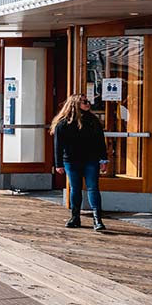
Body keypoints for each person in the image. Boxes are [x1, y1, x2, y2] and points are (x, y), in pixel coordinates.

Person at [51, 94, 109, 231]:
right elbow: (58, 145)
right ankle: (75, 217)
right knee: (75, 188)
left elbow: (100, 142)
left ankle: (97, 219)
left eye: (88, 101)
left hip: (91, 159)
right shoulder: (63, 123)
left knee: (93, 187)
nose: (88, 104)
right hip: (71, 160)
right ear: (75, 104)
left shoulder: (93, 121)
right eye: (84, 102)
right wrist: (58, 163)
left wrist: (103, 159)